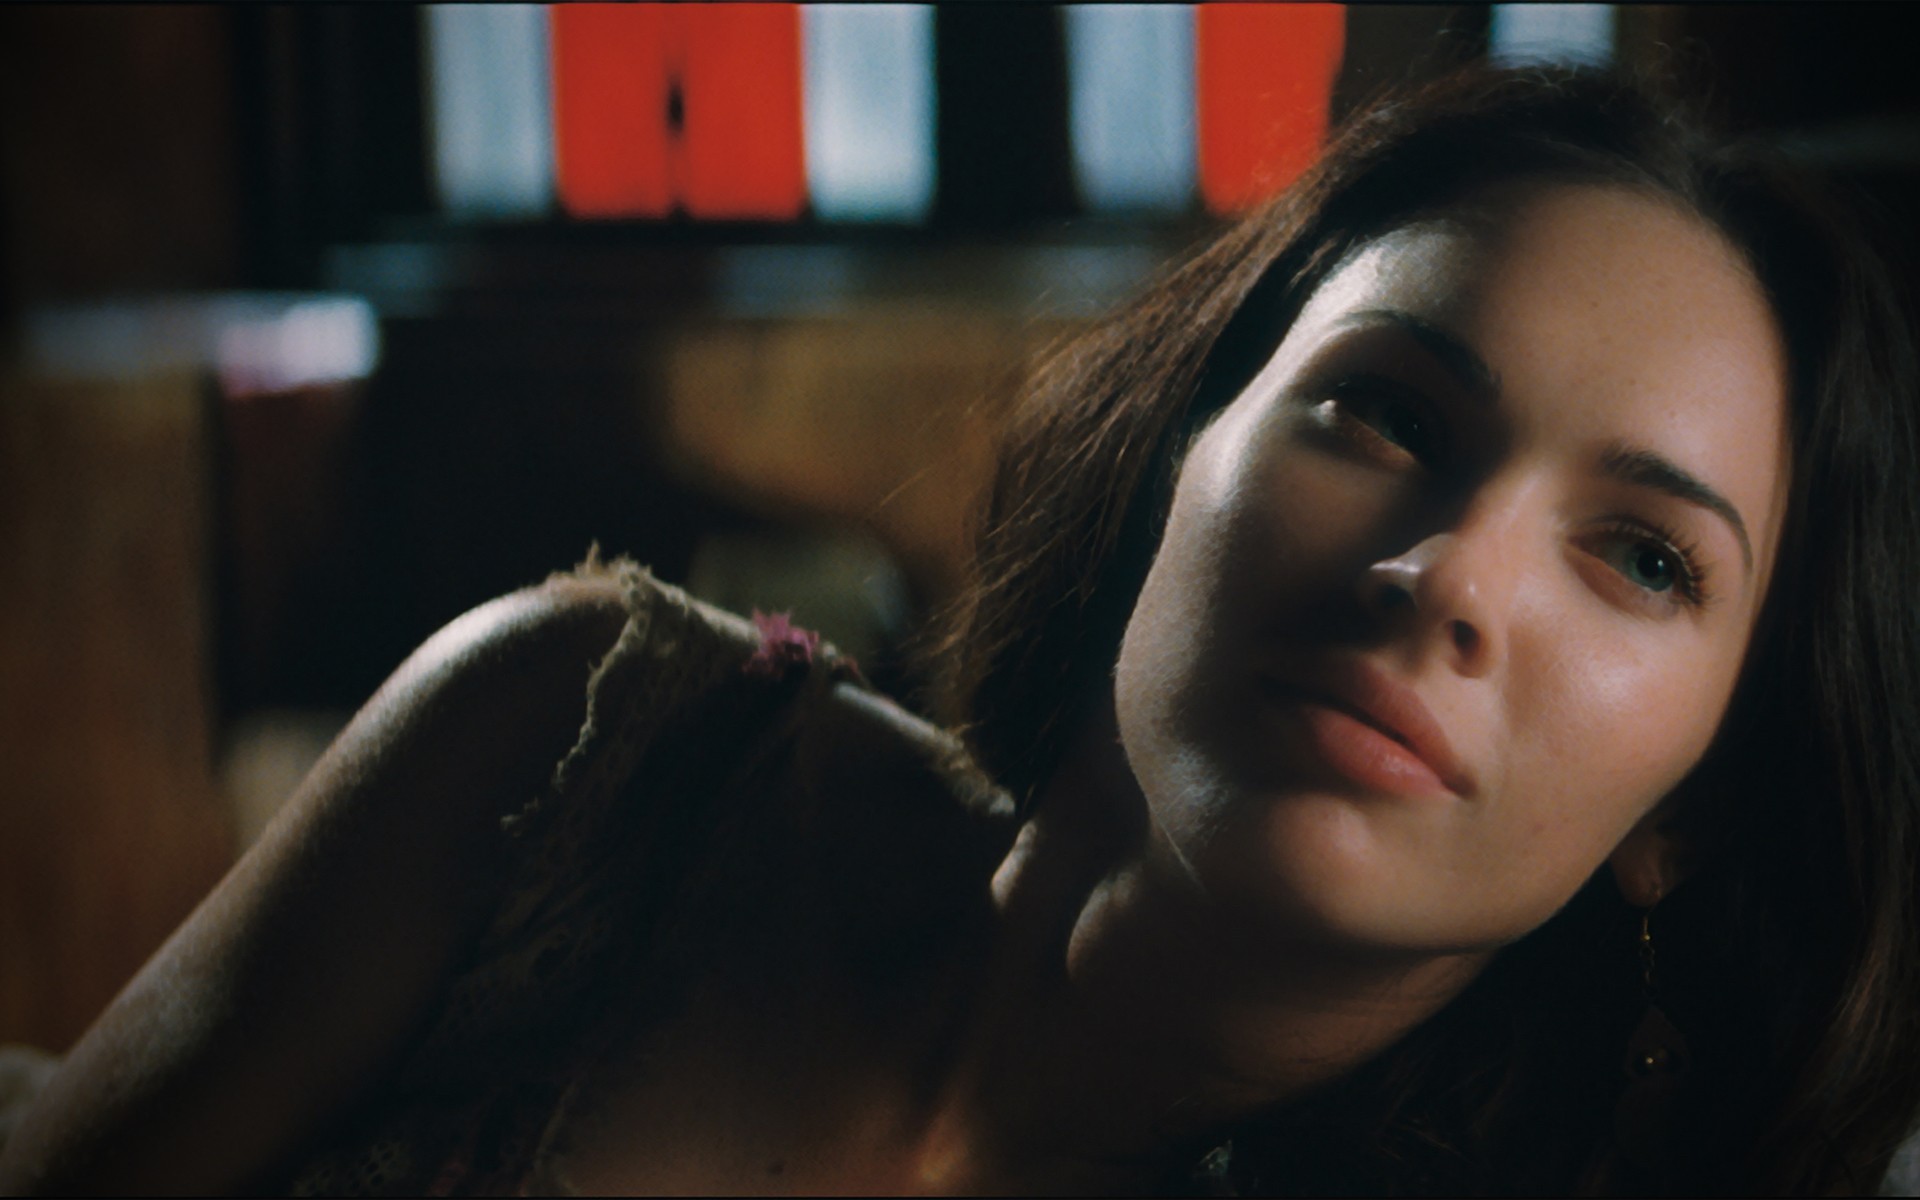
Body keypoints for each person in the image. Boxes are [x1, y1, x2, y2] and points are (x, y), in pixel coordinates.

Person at [3, 65, 1917, 1196]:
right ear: (1183, 442)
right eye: (1388, 412)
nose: (1450, 576)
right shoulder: (582, 743)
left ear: (1697, 802)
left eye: (1642, 558)